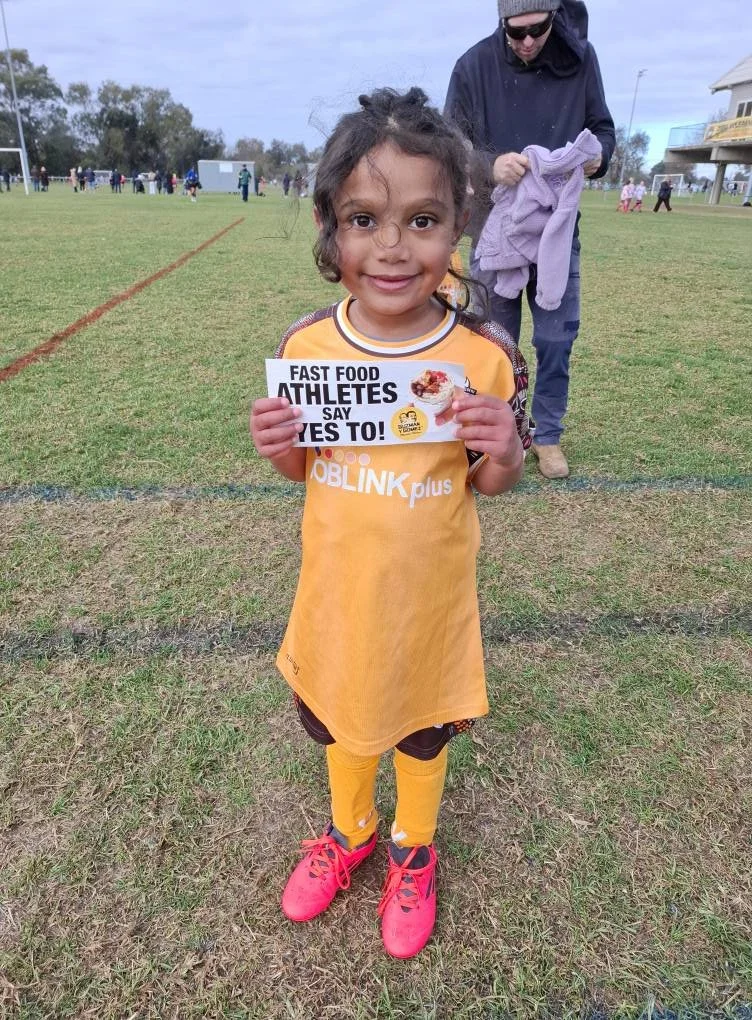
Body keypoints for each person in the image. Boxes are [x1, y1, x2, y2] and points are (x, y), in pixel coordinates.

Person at [250, 87, 531, 960]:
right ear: (331, 230)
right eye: (365, 219)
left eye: (422, 220)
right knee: (336, 717)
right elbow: (305, 469)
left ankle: (413, 845)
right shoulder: (308, 349)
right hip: (337, 597)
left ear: (457, 230)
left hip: (427, 604)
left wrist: (505, 448)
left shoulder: (482, 356)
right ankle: (351, 831)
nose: (392, 247)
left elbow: (491, 486)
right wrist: (278, 447)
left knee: (418, 726)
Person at [445, 0, 614, 479]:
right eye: (513, 32)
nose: (525, 42)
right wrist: (488, 164)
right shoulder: (473, 66)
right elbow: (450, 142)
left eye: (536, 30)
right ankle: (493, 435)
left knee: (557, 337)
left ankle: (548, 435)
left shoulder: (582, 61)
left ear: (555, 19)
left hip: (555, 231)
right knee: (492, 338)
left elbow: (602, 127)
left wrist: (596, 157)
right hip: (492, 229)